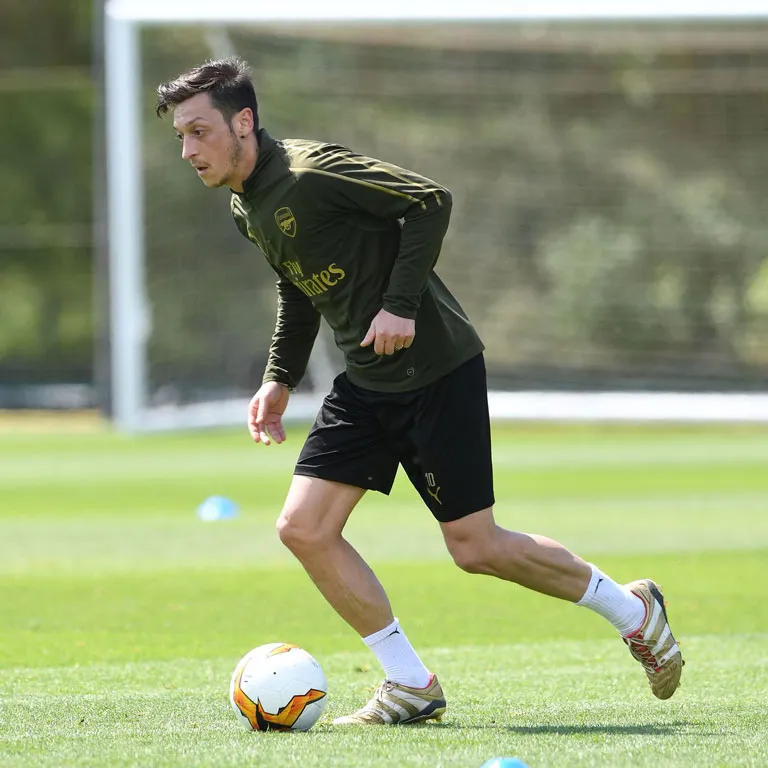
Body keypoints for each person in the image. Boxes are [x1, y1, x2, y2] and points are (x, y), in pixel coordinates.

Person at [156, 57, 684, 725]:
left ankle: (635, 612)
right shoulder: (245, 204)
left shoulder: (313, 173)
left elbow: (430, 200)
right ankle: (410, 683)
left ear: (244, 122)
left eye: (198, 132)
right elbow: (297, 284)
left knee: (476, 548)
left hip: (437, 371)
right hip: (366, 380)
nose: (187, 150)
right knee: (303, 528)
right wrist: (279, 378)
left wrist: (401, 304)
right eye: (180, 136)